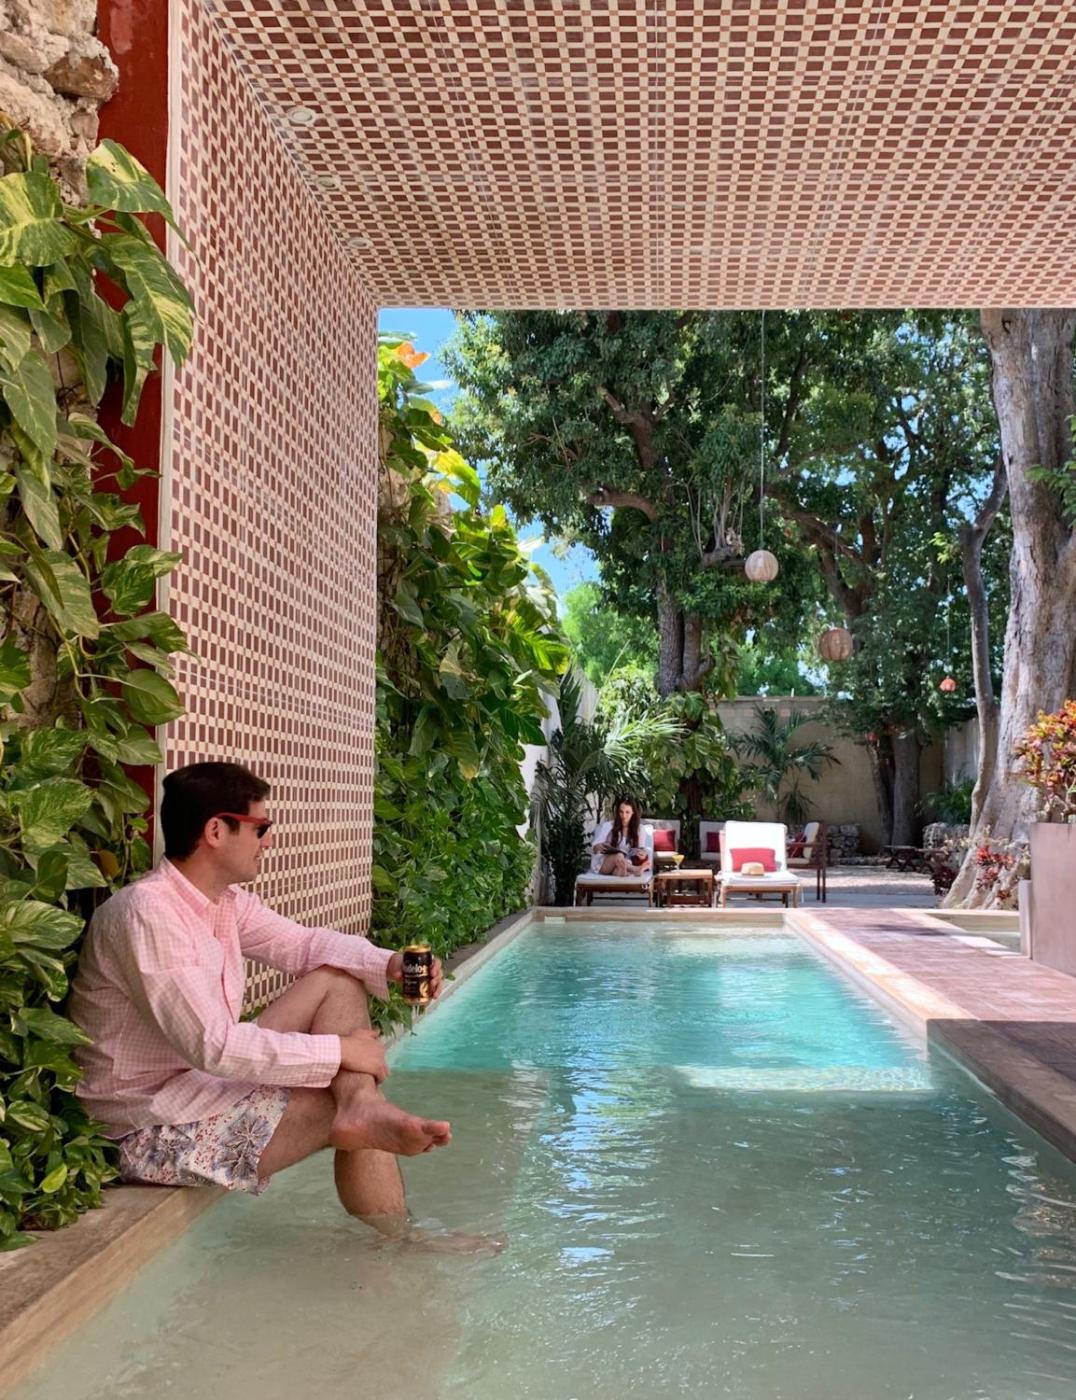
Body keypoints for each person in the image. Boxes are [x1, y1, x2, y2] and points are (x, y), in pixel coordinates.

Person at [68, 761, 453, 1237]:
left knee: (337, 979)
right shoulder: (148, 914)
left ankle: (361, 1105)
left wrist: (389, 963)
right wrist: (340, 1050)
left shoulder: (223, 902)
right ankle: (401, 1239)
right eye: (260, 828)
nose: (267, 841)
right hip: (145, 1124)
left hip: (200, 1086)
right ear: (216, 831)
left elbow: (305, 946)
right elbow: (214, 1046)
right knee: (331, 1106)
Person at [590, 794, 653, 877]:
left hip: (625, 862)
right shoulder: (608, 826)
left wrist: (642, 855)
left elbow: (640, 849)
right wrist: (599, 846)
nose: (623, 816)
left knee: (620, 869)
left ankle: (622, 872)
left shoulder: (640, 829)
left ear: (633, 812)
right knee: (619, 856)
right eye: (621, 812)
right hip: (604, 863)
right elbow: (595, 847)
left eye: (627, 812)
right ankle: (635, 870)